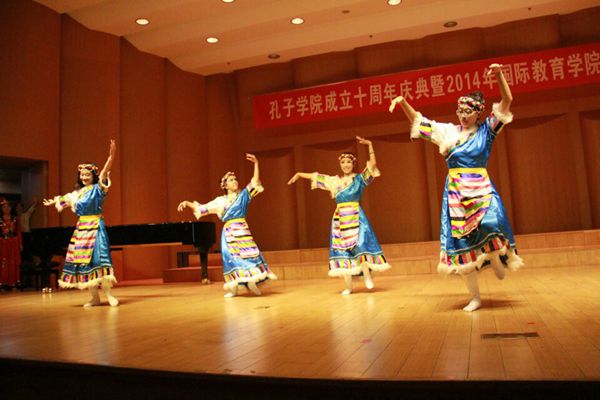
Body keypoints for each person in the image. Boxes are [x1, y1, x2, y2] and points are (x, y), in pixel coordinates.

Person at [389, 63, 524, 312]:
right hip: (456, 192)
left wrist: (500, 75)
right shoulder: (448, 132)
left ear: (478, 113)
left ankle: (496, 257)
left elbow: (507, 100)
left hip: (480, 186)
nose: (463, 115)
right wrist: (403, 103)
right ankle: (475, 297)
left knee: (491, 222)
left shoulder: (487, 131)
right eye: (460, 110)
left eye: (468, 111)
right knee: (461, 245)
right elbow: (419, 122)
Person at [288, 136, 391, 295]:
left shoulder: (359, 179)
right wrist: (300, 174)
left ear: (353, 164)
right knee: (342, 251)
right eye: (343, 162)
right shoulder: (334, 181)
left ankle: (367, 276)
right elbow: (317, 177)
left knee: (361, 246)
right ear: (340, 164)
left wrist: (370, 146)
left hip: (356, 216)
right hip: (339, 219)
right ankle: (348, 286)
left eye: (348, 162)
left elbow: (372, 165)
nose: (346, 165)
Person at [177, 154, 277, 298]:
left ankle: (251, 282)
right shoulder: (220, 201)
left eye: (235, 179)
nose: (235, 181)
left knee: (250, 255)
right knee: (232, 259)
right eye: (231, 180)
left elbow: (255, 182)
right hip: (229, 233)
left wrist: (256, 164)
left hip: (242, 230)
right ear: (224, 185)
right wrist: (187, 203)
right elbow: (203, 208)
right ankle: (233, 288)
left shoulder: (243, 196)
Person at [43, 140, 118, 307]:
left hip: (95, 227)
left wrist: (111, 156)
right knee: (84, 262)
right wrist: (53, 201)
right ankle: (95, 297)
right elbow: (65, 199)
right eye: (82, 175)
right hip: (81, 230)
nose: (84, 177)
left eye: (87, 175)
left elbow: (104, 172)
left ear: (93, 176)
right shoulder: (77, 193)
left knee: (99, 259)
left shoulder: (98, 189)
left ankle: (108, 295)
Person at [0, 198, 22, 289]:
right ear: (2, 209)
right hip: (3, 243)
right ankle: (3, 282)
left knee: (14, 261)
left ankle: (15, 281)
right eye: (4, 207)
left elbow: (19, 232)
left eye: (8, 207)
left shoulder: (15, 219)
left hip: (14, 242)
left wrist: (20, 243)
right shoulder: (0, 220)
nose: (6, 208)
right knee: (4, 261)